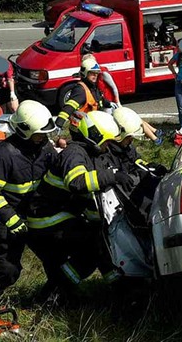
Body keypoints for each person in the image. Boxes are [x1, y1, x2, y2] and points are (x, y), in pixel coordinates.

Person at [27, 110, 132, 304]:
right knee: (92, 246)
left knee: (99, 242)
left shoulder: (89, 153)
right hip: (46, 217)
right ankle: (55, 292)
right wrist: (113, 177)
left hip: (62, 213)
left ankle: (119, 287)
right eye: (106, 141)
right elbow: (77, 182)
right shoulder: (74, 153)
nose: (108, 146)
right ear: (94, 137)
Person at [0, 100, 56, 299]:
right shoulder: (3, 154)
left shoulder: (44, 148)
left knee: (57, 261)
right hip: (10, 221)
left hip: (38, 216)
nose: (43, 137)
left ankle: (50, 298)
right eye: (39, 134)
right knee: (7, 271)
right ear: (24, 131)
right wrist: (10, 219)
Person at [81, 54, 165, 145]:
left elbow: (114, 88)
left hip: (111, 104)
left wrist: (117, 102)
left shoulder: (103, 73)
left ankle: (155, 138)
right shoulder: (91, 78)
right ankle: (155, 131)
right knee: (134, 119)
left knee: (132, 121)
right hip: (105, 104)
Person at [54, 57, 115, 133]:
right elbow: (69, 108)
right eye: (92, 73)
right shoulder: (80, 90)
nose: (95, 76)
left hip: (92, 126)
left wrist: (109, 103)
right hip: (81, 131)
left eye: (96, 73)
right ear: (85, 73)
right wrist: (58, 124)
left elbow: (99, 100)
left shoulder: (93, 88)